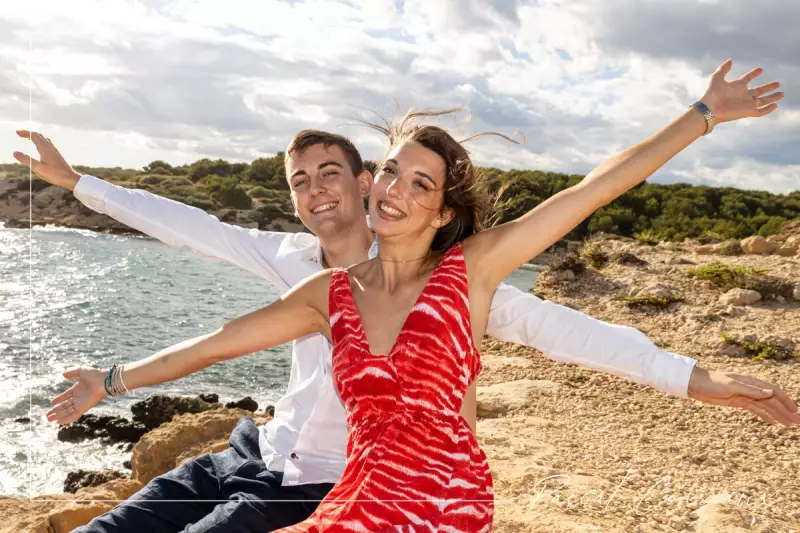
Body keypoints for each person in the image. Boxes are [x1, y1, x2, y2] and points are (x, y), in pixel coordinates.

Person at [34, 60, 799, 531]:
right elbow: (210, 334)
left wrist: (702, 115)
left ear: (438, 207)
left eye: (418, 181)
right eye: (393, 172)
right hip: (326, 483)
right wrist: (110, 379)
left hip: (423, 499)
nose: (396, 188)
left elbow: (595, 194)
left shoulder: (472, 274)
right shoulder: (320, 286)